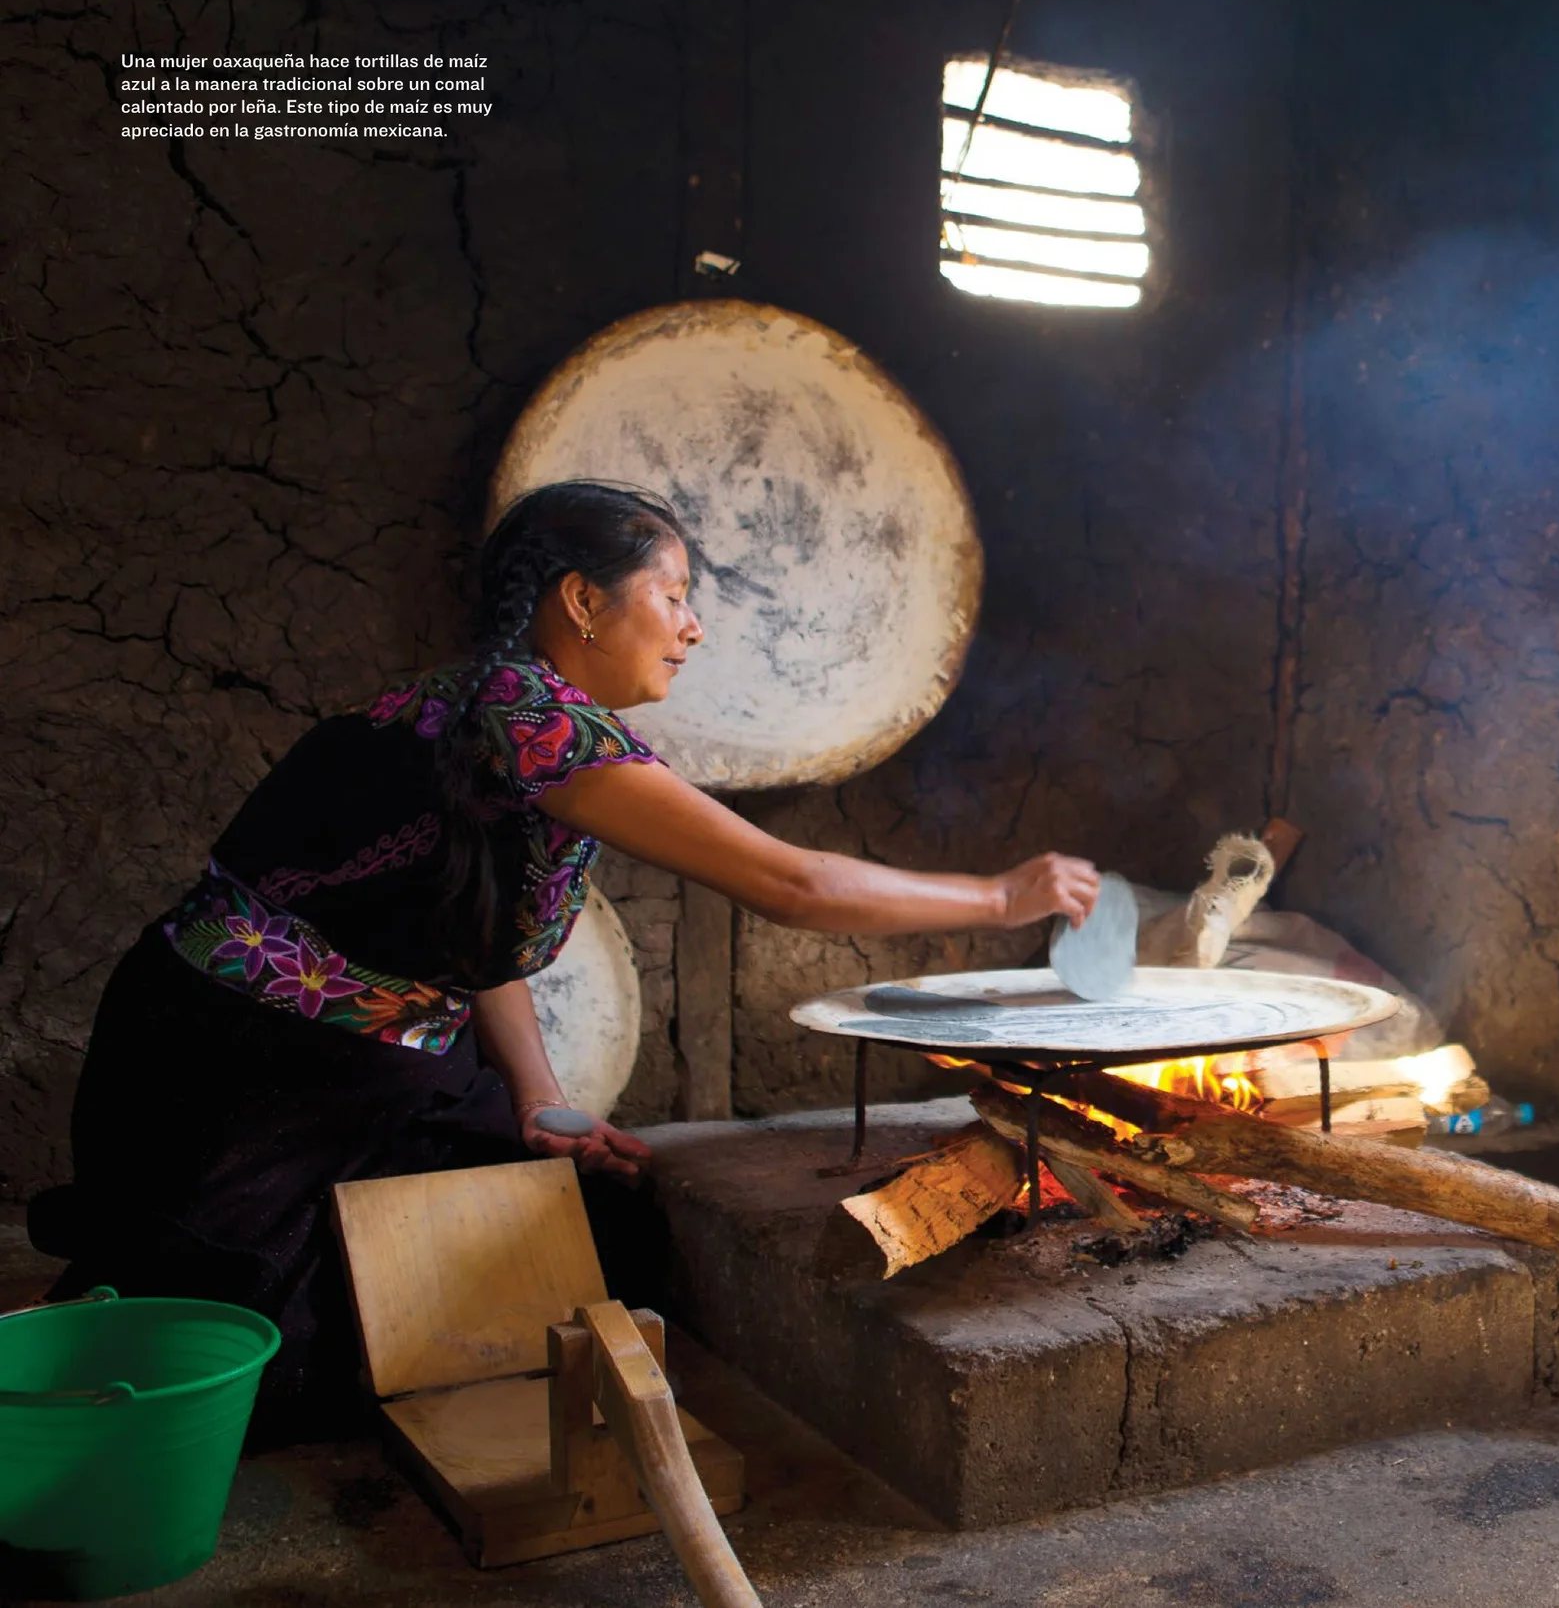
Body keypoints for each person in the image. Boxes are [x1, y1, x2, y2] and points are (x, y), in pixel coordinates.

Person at [30, 480, 1099, 1440]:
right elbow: (792, 884)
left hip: (375, 1060)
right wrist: (999, 897)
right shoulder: (531, 722)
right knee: (221, 1362)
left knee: (585, 1231)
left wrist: (537, 1098)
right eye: (673, 594)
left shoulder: (502, 712)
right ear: (584, 600)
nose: (692, 626)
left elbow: (470, 942)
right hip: (240, 1067)